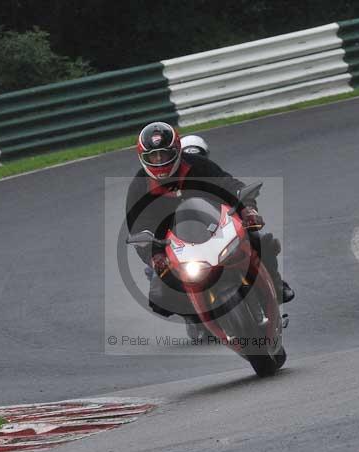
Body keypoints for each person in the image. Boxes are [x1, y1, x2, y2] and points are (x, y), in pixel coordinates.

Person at [125, 122, 294, 320]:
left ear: (177, 151)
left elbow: (230, 185)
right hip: (173, 244)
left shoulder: (197, 165)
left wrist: (248, 208)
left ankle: (276, 285)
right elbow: (138, 228)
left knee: (262, 239)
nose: (160, 160)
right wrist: (154, 256)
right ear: (143, 158)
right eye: (154, 156)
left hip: (216, 226)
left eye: (164, 154)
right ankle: (193, 317)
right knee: (159, 292)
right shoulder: (139, 186)